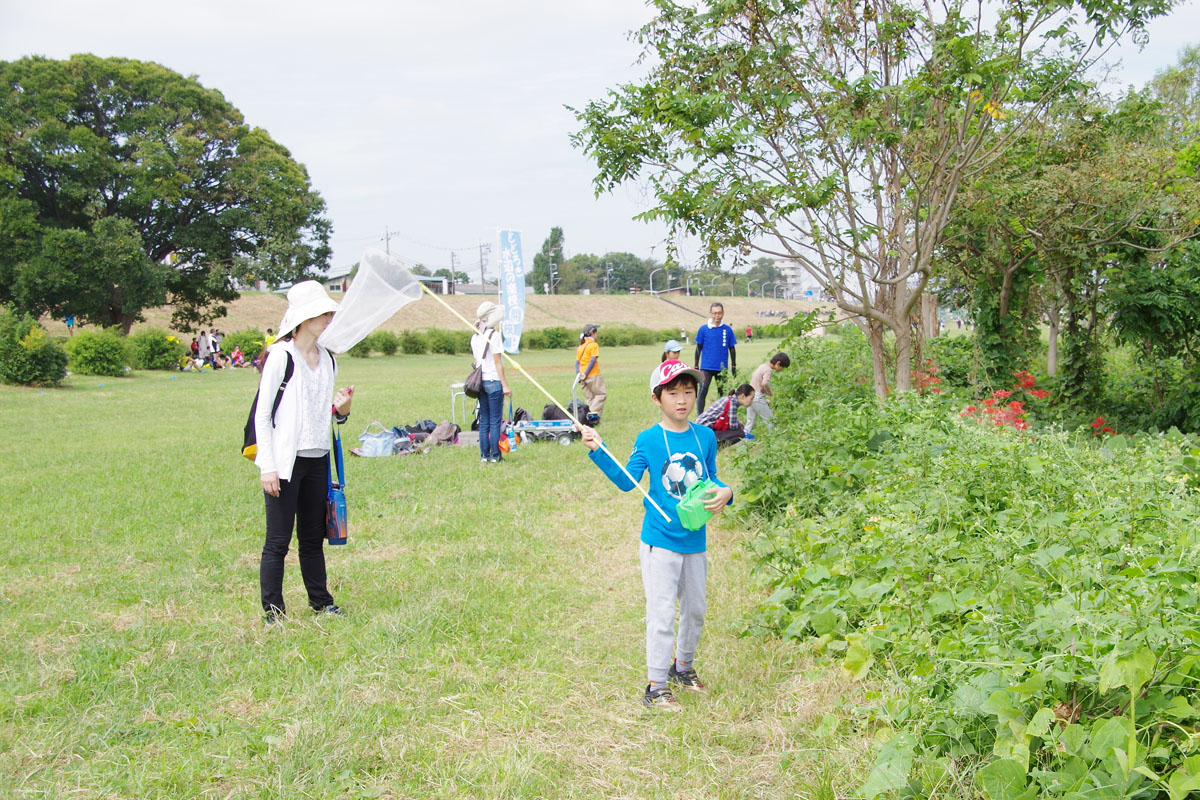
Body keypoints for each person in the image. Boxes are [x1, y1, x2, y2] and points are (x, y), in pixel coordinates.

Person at [577, 360, 733, 711]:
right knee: (662, 613)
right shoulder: (648, 440)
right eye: (673, 393)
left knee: (695, 610)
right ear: (656, 398)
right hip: (660, 541)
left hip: (695, 539)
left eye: (688, 392)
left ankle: (683, 667)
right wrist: (597, 448)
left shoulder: (705, 436)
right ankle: (656, 685)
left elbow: (712, 479)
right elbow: (625, 481)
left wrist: (727, 492)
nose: (682, 400)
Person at [255, 281, 354, 624]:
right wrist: (267, 466)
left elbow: (322, 411)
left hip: (318, 458)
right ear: (304, 316)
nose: (329, 317)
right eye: (323, 312)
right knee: (278, 541)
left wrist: (342, 410)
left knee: (313, 538)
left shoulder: (327, 359)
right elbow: (263, 415)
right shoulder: (281, 356)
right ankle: (273, 612)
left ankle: (321, 602)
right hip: (284, 462)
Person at [471, 301, 510, 463]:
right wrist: (505, 385)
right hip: (493, 381)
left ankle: (484, 455)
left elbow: (476, 361)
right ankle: (495, 455)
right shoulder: (494, 336)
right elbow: (497, 363)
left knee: (484, 420)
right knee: (495, 420)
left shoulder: (475, 336)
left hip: (480, 383)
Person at [693, 302, 737, 411]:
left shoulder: (727, 329)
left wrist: (733, 365)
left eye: (719, 313)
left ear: (723, 313)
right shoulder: (703, 329)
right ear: (710, 313)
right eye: (714, 313)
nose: (717, 316)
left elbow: (732, 348)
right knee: (703, 390)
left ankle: (720, 415)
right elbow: (698, 347)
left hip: (722, 368)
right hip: (706, 366)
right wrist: (696, 364)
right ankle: (700, 417)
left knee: (722, 392)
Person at [747, 352, 791, 434]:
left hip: (749, 395)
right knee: (770, 419)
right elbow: (765, 383)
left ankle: (745, 442)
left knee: (750, 421)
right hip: (757, 397)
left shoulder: (762, 366)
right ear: (778, 363)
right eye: (783, 367)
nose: (782, 370)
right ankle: (773, 438)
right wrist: (769, 393)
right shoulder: (768, 370)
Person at [575, 323, 606, 422]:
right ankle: (590, 415)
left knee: (590, 398)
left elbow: (577, 362)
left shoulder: (581, 346)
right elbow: (592, 360)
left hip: (582, 375)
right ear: (592, 333)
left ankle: (592, 419)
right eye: (596, 332)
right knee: (601, 394)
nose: (597, 334)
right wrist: (587, 373)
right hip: (593, 374)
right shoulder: (593, 345)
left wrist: (579, 374)